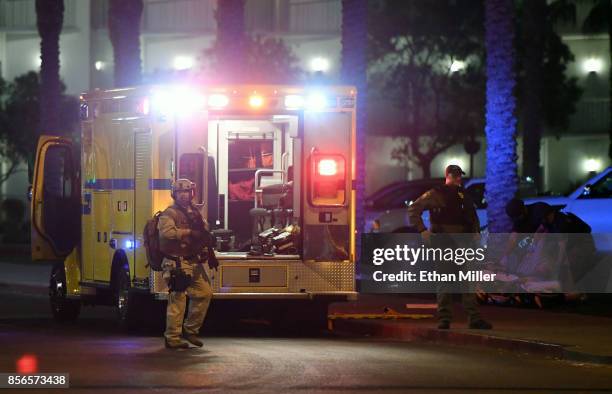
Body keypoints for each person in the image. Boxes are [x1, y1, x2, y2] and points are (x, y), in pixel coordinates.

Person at [407, 165, 492, 330]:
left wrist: (475, 232)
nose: (458, 178)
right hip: (446, 242)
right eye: (456, 175)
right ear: (449, 176)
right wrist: (422, 230)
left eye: (459, 175)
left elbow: (471, 216)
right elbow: (414, 209)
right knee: (448, 281)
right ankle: (446, 318)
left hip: (462, 242)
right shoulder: (436, 194)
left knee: (465, 281)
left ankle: (469, 318)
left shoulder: (461, 194)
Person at [158, 179, 218, 349]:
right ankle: (172, 337)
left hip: (194, 260)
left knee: (204, 293)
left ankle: (190, 330)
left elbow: (204, 232)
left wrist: (207, 248)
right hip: (176, 261)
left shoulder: (195, 213)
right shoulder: (169, 213)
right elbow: (167, 233)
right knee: (178, 298)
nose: (184, 195)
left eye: (187, 192)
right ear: (174, 194)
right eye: (180, 192)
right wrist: (189, 232)